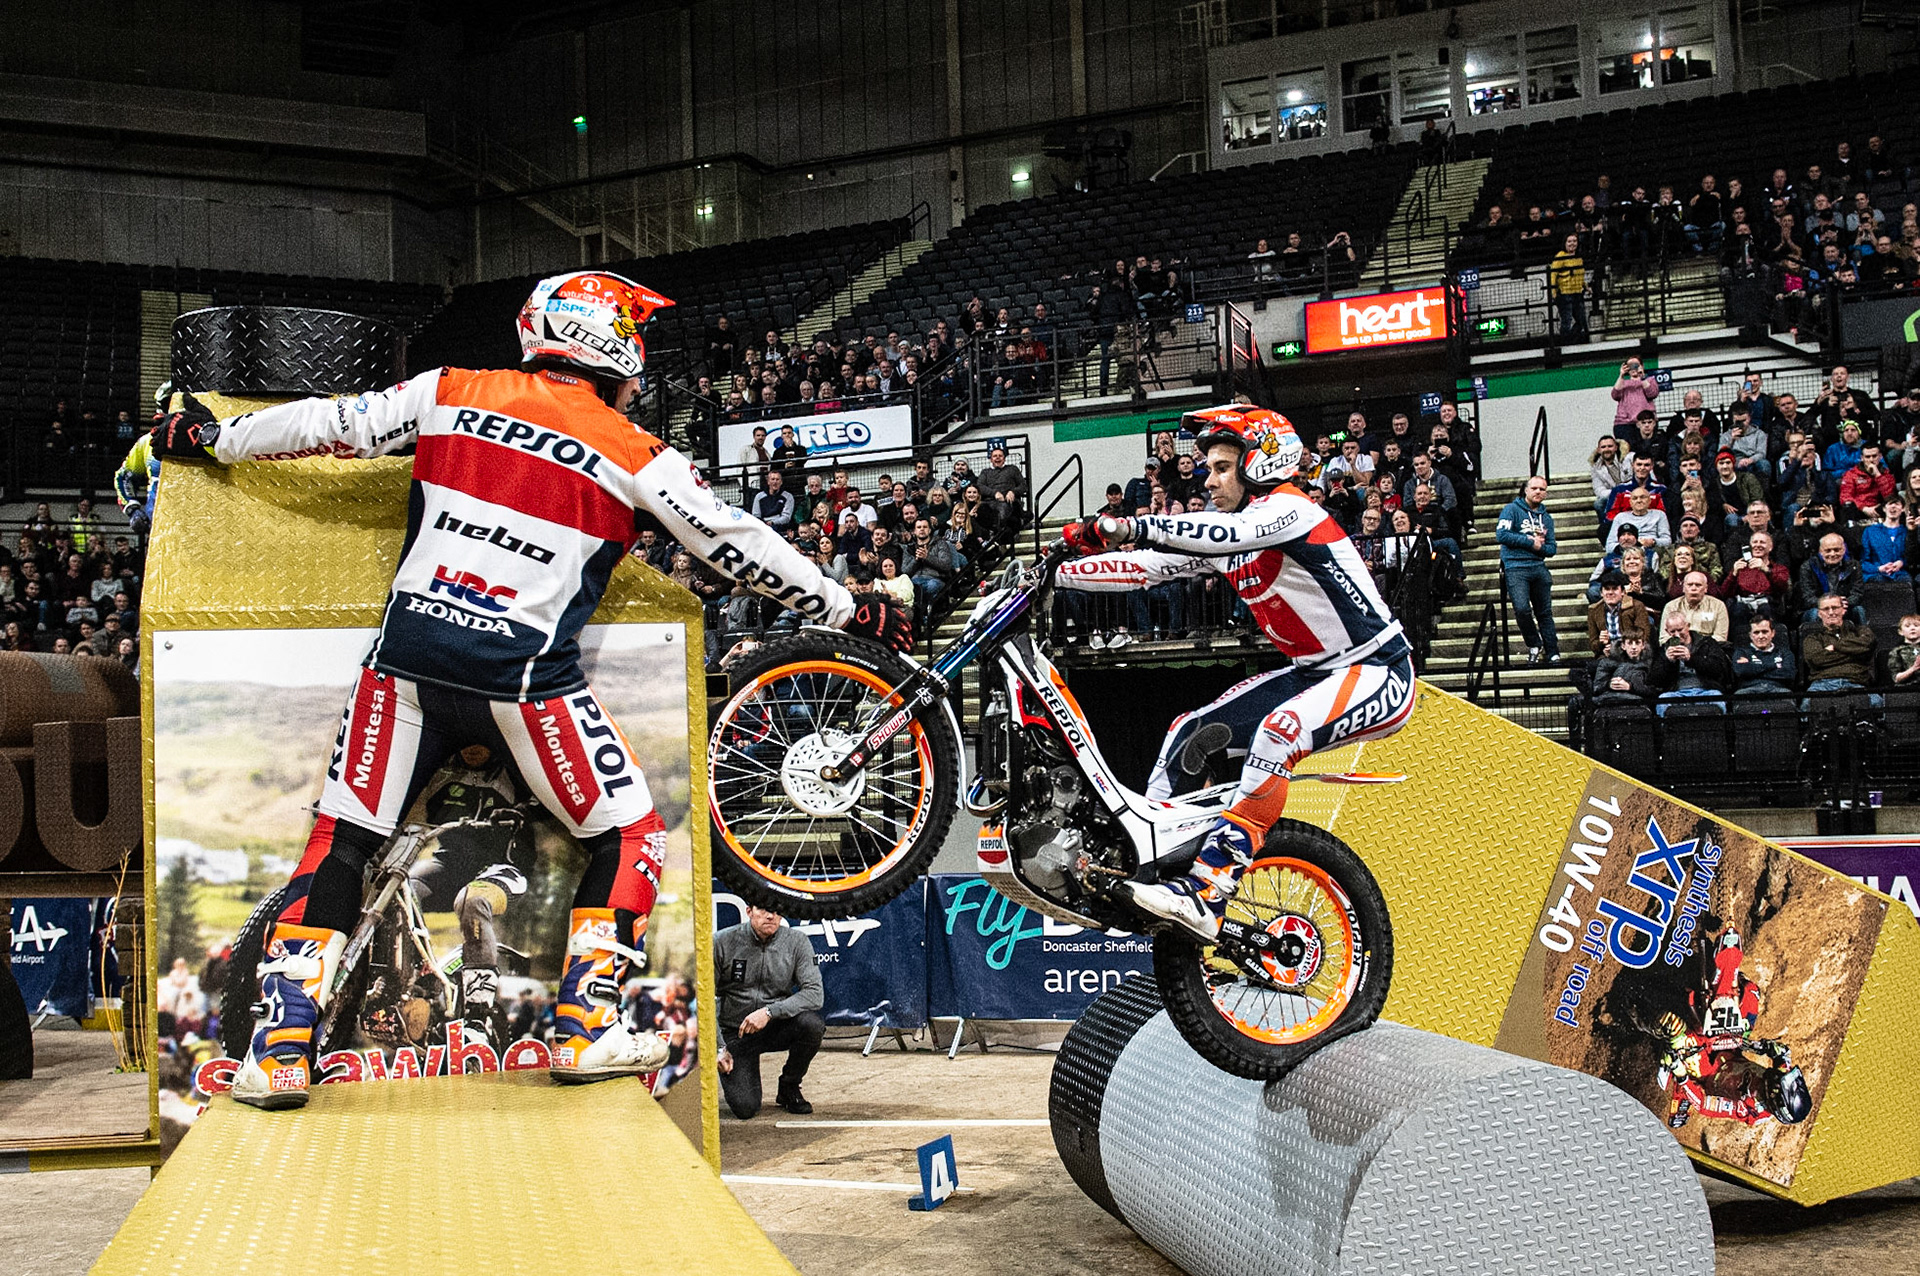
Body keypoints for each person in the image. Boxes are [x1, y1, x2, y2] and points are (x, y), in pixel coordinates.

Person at [145, 270, 907, 1110]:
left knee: (341, 844)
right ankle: (584, 1030)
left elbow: (328, 423)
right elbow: (737, 542)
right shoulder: (632, 450)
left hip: (402, 665)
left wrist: (206, 436)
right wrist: (846, 604)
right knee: (632, 837)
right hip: (524, 682)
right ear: (613, 348)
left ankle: (276, 1055)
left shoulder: (449, 389)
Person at [1054, 406, 1414, 938]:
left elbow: (1219, 536)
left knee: (1279, 732)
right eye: (1208, 467)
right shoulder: (1234, 533)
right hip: (1313, 672)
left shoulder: (1290, 510)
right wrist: (1056, 571)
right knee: (1188, 732)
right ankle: (1156, 866)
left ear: (1262, 463)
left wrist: (1129, 524)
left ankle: (1209, 889)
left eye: (1223, 467)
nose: (1209, 477)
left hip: (1379, 669)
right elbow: (1143, 569)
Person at [403, 745, 530, 1044]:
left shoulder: (517, 769)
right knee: (402, 890)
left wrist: (521, 812)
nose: (472, 750)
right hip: (447, 865)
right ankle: (411, 981)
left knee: (471, 900)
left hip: (502, 868)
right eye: (464, 743)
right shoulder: (439, 767)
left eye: (480, 743)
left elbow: (548, 800)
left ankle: (478, 1010)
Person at [714, 905, 825, 1119]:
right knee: (745, 1109)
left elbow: (814, 993)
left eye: (777, 911)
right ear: (749, 911)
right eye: (763, 910)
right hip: (735, 1033)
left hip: (774, 1026)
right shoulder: (722, 942)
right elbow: (703, 996)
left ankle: (789, 1086)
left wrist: (769, 1012)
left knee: (811, 1025)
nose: (770, 916)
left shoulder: (796, 942)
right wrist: (718, 1047)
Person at [1497, 475, 1561, 664]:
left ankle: (1553, 652)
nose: (1538, 492)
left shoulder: (1547, 518)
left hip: (1539, 568)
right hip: (1516, 567)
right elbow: (1501, 534)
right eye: (1534, 488)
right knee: (1522, 609)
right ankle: (1534, 642)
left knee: (1544, 613)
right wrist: (1529, 542)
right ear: (1526, 490)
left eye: (1542, 489)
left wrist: (1540, 548)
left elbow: (1552, 549)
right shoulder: (1511, 510)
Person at [1801, 595, 1877, 693]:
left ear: (1843, 610)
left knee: (1877, 702)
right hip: (1822, 684)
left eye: (1835, 608)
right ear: (1819, 613)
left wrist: (1834, 647)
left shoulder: (1860, 632)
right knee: (1807, 705)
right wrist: (1853, 653)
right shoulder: (1812, 638)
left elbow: (1868, 644)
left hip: (1856, 683)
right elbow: (1816, 659)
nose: (1831, 612)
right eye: (1826, 609)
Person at [1587, 570, 1650, 657]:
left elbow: (1644, 637)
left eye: (1615, 588)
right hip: (1606, 656)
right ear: (1601, 593)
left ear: (1623, 592)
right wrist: (1601, 643)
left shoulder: (1636, 606)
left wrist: (1619, 649)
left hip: (1632, 655)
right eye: (1607, 589)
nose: (1610, 592)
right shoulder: (1594, 611)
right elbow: (1593, 645)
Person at [1732, 617, 1796, 696]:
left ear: (1772, 633)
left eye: (1764, 632)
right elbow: (1741, 671)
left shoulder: (1784, 652)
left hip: (1778, 690)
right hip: (1748, 690)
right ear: (1750, 635)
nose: (1761, 636)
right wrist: (1774, 665)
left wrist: (1752, 670)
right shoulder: (1741, 652)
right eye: (1756, 632)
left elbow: (1789, 674)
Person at [1889, 614, 1920, 687]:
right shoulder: (1897, 651)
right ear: (1900, 632)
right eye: (1907, 626)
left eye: (1916, 625)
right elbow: (1896, 678)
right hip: (1908, 689)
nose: (1912, 628)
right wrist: (1914, 668)